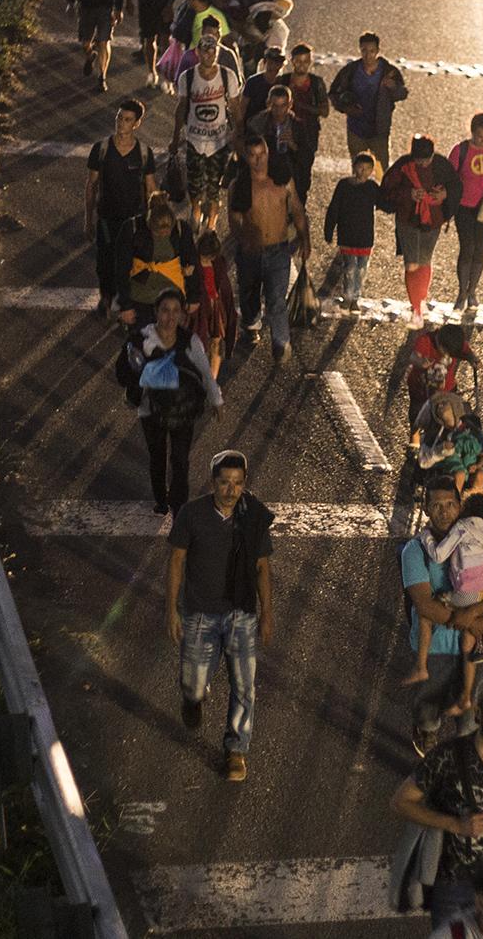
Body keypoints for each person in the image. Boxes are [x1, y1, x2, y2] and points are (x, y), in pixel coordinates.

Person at [389, 663, 483, 929]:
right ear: (478, 713)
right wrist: (455, 825)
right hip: (453, 882)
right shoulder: (448, 755)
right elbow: (400, 801)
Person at [166, 450, 275, 782]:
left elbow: (262, 567)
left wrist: (267, 614)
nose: (231, 490)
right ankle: (193, 698)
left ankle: (236, 750)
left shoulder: (252, 516)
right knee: (193, 685)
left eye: (238, 483)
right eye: (225, 483)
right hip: (200, 615)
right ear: (213, 482)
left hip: (241, 614)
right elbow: (176, 562)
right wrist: (171, 609)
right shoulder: (191, 515)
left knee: (244, 685)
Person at [400, 478, 483, 755]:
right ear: (426, 509)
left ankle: (467, 752)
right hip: (438, 647)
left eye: (450, 504)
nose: (444, 511)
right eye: (436, 505)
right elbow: (425, 604)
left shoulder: (479, 539)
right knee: (429, 708)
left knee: (472, 712)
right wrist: (472, 622)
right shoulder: (415, 551)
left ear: (459, 506)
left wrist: (474, 612)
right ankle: (426, 732)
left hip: (475, 645)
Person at [121, 288, 224, 514]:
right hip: (151, 412)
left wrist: (216, 400)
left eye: (176, 311)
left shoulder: (190, 341)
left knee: (180, 461)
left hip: (182, 409)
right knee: (157, 456)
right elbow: (127, 372)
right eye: (165, 310)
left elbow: (205, 372)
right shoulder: (143, 340)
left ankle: (179, 509)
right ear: (156, 311)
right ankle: (161, 499)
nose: (170, 317)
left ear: (182, 314)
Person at [227, 135, 310, 363]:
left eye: (261, 154)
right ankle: (251, 324)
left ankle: (281, 343)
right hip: (250, 252)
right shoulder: (239, 186)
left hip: (278, 250)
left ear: (267, 153)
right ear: (246, 157)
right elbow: (233, 219)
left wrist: (305, 239)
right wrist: (244, 237)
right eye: (252, 156)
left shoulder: (282, 181)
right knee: (249, 294)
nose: (258, 160)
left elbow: (297, 210)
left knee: (276, 300)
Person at [82, 98, 157, 318]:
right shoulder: (101, 149)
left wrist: (157, 218)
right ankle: (105, 300)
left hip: (134, 221)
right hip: (107, 218)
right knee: (105, 263)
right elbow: (91, 185)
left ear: (136, 124)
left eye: (127, 120)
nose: (121, 123)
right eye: (119, 118)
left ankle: (127, 305)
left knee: (131, 265)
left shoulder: (144, 153)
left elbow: (151, 188)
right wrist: (88, 219)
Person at [384, 134, 460, 330]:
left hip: (432, 221)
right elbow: (385, 192)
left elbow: (456, 186)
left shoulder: (442, 165)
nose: (424, 163)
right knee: (411, 263)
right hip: (408, 220)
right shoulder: (402, 166)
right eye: (420, 160)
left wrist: (444, 194)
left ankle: (420, 300)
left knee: (425, 261)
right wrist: (408, 195)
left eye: (427, 159)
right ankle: (416, 308)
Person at [172, 31, 244, 232]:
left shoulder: (227, 76)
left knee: (214, 185)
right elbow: (181, 107)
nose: (208, 57)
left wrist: (239, 134)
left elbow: (235, 106)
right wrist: (175, 136)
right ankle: (196, 209)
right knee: (194, 183)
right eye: (205, 53)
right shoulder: (188, 77)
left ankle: (212, 222)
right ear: (198, 53)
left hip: (219, 141)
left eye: (213, 53)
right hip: (195, 138)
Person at [447, 114, 483, 315]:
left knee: (479, 249)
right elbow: (449, 177)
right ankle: (462, 292)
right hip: (464, 207)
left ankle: (472, 291)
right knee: (467, 248)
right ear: (472, 132)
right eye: (480, 136)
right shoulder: (460, 151)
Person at [330, 32, 409, 171]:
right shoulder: (351, 71)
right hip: (356, 129)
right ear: (360, 49)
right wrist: (347, 108)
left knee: (381, 172)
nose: (368, 55)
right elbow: (333, 94)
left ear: (378, 51)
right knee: (358, 171)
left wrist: (393, 87)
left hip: (379, 130)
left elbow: (402, 94)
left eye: (372, 51)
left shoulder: (389, 71)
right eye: (364, 51)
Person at [121, 191, 198, 319]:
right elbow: (121, 268)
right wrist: (125, 306)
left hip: (172, 301)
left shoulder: (181, 230)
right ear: (149, 223)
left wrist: (194, 297)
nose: (163, 236)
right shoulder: (132, 228)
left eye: (167, 232)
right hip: (140, 300)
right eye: (158, 233)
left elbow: (191, 262)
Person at [324, 150, 384, 307]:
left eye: (367, 168)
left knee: (361, 269)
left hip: (365, 237)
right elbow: (334, 208)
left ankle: (355, 297)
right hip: (347, 235)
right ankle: (348, 297)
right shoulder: (344, 185)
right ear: (354, 167)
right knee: (349, 267)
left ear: (372, 171)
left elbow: (385, 202)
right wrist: (328, 230)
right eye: (360, 167)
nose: (363, 171)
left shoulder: (372, 187)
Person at [414, 389, 483, 496]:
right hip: (447, 471)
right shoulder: (436, 433)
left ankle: (473, 504)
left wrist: (479, 464)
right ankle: (455, 503)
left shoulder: (472, 430)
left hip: (471, 468)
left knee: (480, 475)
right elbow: (424, 461)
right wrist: (441, 450)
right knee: (459, 474)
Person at [407, 321, 479, 438]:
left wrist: (472, 358)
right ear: (440, 343)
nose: (447, 356)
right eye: (446, 352)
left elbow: (467, 352)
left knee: (449, 419)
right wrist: (421, 362)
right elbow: (413, 356)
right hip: (420, 389)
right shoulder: (425, 340)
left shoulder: (454, 343)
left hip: (447, 389)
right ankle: (414, 442)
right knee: (417, 417)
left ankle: (444, 441)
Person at [282, 42, 331, 205]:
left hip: (308, 137)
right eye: (298, 61)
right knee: (282, 175)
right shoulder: (283, 81)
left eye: (305, 61)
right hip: (285, 133)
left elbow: (325, 111)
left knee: (302, 179)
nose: (302, 65)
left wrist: (299, 104)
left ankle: (298, 213)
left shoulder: (317, 84)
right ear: (292, 61)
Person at [189, 228, 237, 380]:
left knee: (216, 342)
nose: (205, 261)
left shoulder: (218, 264)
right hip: (199, 308)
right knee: (198, 342)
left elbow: (224, 288)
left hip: (214, 306)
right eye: (203, 257)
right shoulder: (191, 263)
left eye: (208, 258)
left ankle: (212, 380)